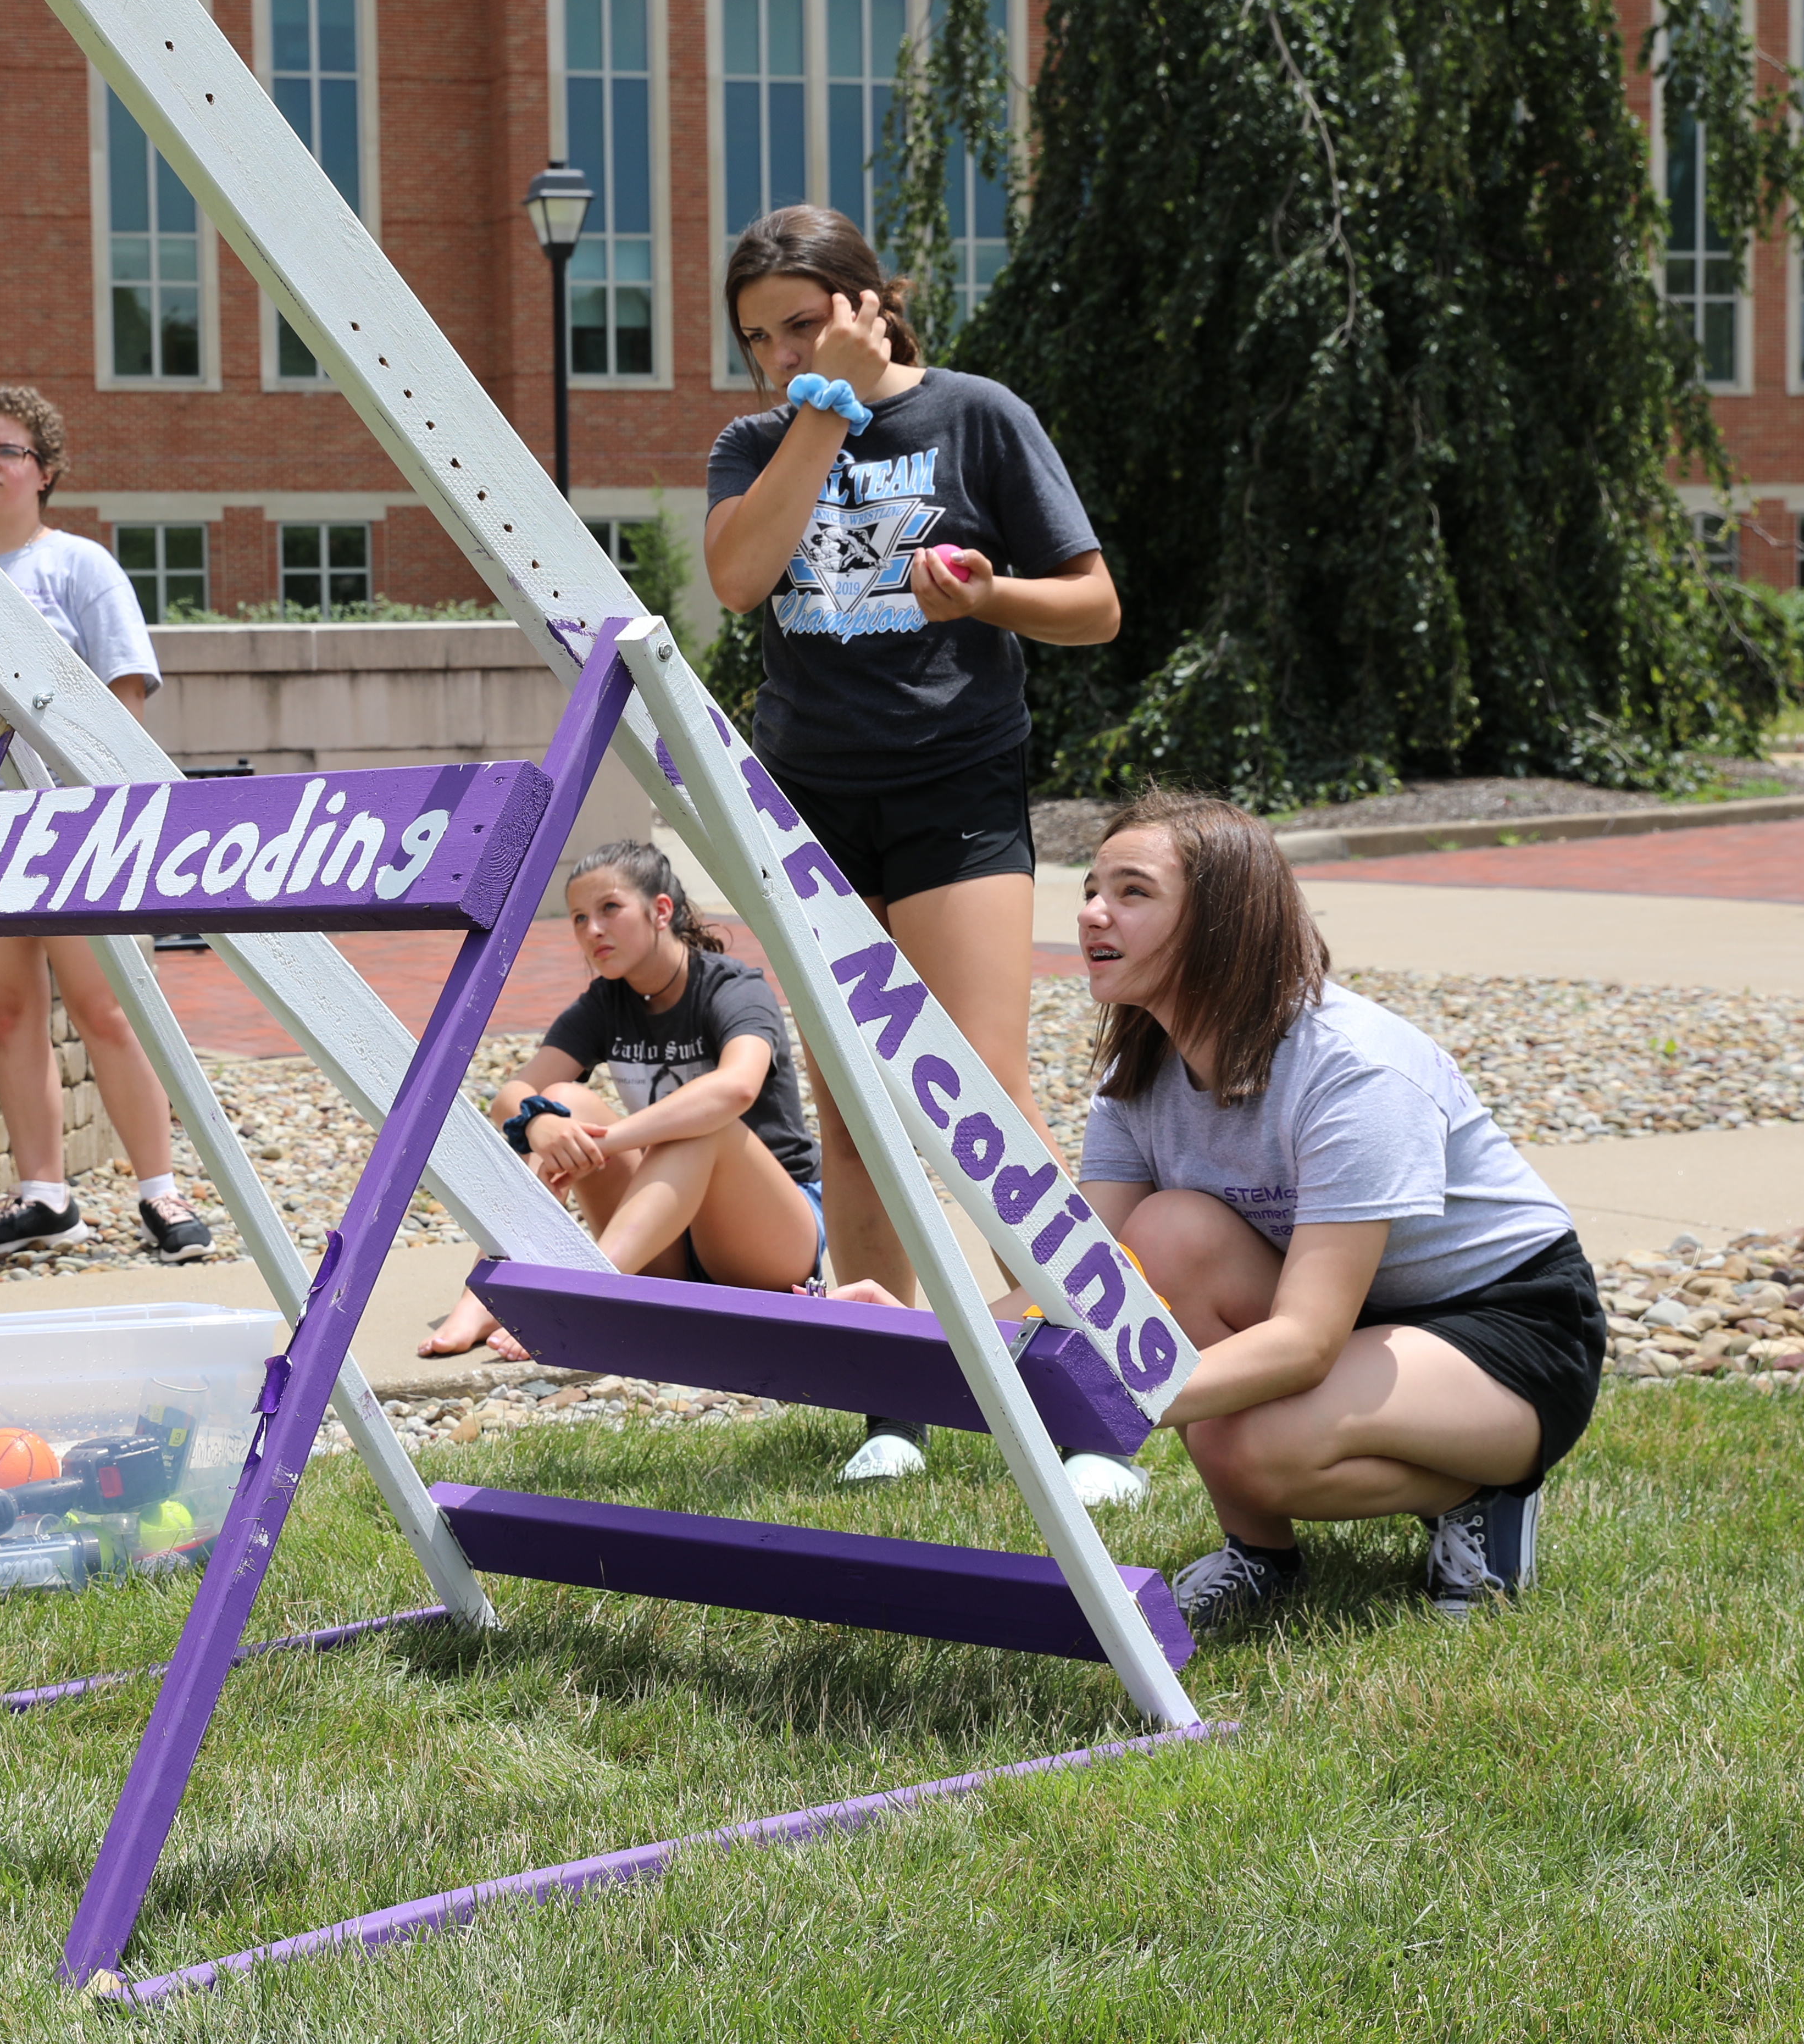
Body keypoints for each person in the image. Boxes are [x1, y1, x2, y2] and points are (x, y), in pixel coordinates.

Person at [702, 203, 1120, 1476]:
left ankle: (1084, 1394)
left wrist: (991, 593)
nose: (778, 356)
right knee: (854, 1117)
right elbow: (735, 579)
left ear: (866, 299)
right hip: (811, 807)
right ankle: (897, 1410)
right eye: (756, 340)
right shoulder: (758, 442)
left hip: (956, 794)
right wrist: (820, 414)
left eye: (802, 325)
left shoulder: (979, 417)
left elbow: (1095, 608)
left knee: (981, 1099)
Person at [1066, 789, 1603, 1631]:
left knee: (1247, 1444)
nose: (1095, 914)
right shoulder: (1136, 1082)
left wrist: (1124, 1395)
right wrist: (931, 1329)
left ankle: (1484, 1489)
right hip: (1356, 1316)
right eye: (1092, 890)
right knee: (1165, 1237)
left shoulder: (1353, 1070)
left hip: (1507, 1328)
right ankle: (1261, 1557)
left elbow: (1307, 1343)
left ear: (1222, 922)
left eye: (1132, 892)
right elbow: (1078, 1278)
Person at [0, 385, 210, 1262]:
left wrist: (112, 824)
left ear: (46, 473)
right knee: (10, 1011)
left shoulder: (82, 569)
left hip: (70, 825)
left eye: (9, 451)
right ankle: (44, 1197)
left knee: (107, 1008)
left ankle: (161, 1194)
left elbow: (125, 701)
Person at [417, 842, 828, 1378]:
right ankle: (491, 1295)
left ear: (660, 911)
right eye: (580, 918)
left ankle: (589, 1293)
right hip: (667, 1242)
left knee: (705, 1124)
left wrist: (612, 1140)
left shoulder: (732, 987)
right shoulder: (606, 1003)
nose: (593, 931)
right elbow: (509, 1097)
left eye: (610, 909)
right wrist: (540, 1125)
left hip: (769, 1238)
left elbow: (737, 1089)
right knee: (559, 1103)